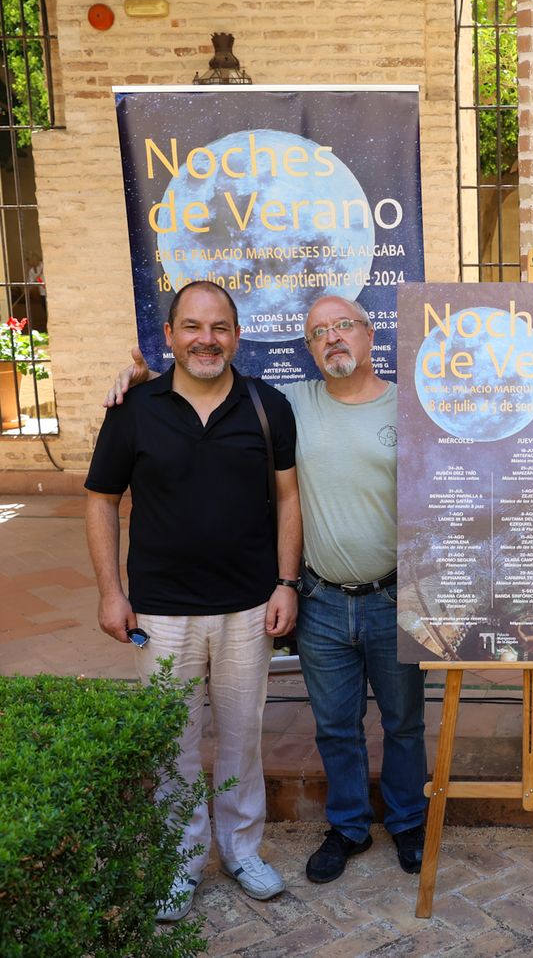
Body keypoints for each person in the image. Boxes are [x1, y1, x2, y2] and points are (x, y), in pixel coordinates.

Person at [106, 294, 430, 885]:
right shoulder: (291, 402)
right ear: (307, 350)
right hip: (321, 598)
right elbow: (192, 400)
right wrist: (145, 383)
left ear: (371, 334)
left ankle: (409, 822)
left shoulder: (409, 407)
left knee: (403, 720)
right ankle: (349, 826)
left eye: (345, 327)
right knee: (332, 724)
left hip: (390, 596)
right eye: (318, 333)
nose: (333, 339)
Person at [86, 280, 300, 921]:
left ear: (236, 336)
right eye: (192, 326)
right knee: (170, 744)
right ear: (171, 335)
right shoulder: (134, 409)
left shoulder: (268, 405)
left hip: (246, 609)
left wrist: (287, 582)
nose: (206, 339)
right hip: (160, 611)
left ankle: (240, 852)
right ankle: (179, 863)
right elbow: (100, 500)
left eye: (219, 328)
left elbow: (289, 498)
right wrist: (109, 592)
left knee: (241, 739)